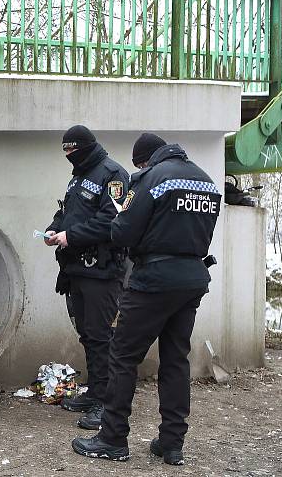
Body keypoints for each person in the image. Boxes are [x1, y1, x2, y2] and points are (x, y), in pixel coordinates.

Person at [72, 133, 221, 464]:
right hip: (192, 279)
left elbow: (121, 229)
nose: (138, 167)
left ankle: (112, 439)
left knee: (123, 355)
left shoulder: (148, 178)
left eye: (139, 162)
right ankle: (171, 443)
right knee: (175, 359)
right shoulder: (207, 182)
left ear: (146, 159)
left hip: (153, 280)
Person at [45, 124, 129, 429]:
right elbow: (69, 212)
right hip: (77, 269)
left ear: (85, 147)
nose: (69, 156)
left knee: (101, 336)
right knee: (88, 335)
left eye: (72, 151)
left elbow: (112, 221)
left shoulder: (112, 174)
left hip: (102, 270)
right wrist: (55, 229)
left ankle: (107, 405)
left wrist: (72, 236)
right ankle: (95, 394)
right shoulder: (79, 175)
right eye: (65, 152)